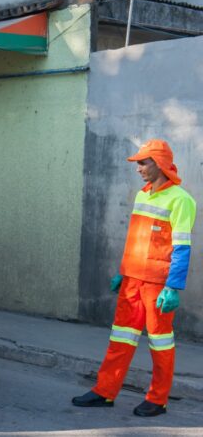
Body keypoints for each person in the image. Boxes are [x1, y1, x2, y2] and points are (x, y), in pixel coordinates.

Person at [72, 139, 196, 417]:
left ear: (159, 164)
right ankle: (104, 391)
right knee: (120, 338)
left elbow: (182, 247)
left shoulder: (181, 200)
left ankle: (157, 399)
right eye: (137, 163)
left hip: (157, 286)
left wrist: (173, 287)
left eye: (143, 162)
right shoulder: (142, 196)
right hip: (132, 281)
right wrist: (123, 271)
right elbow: (135, 241)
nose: (138, 168)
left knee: (160, 343)